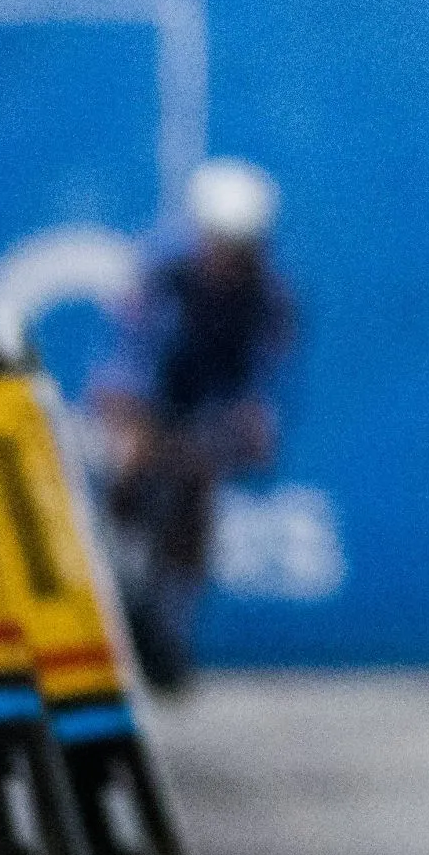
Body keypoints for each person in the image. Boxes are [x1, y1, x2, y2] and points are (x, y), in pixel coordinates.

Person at [92, 157, 300, 692]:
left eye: (243, 248)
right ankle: (103, 596)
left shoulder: (270, 297)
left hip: (205, 417)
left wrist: (252, 421)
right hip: (147, 404)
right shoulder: (163, 274)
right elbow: (132, 355)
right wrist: (133, 419)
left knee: (195, 506)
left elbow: (263, 377)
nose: (229, 260)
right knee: (122, 480)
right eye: (220, 244)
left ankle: (167, 629)